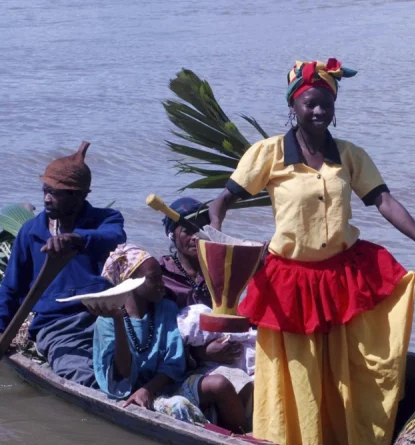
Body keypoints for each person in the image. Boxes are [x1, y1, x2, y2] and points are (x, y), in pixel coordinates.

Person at [208, 58, 415, 445]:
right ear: (293, 107)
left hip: (343, 276)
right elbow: (220, 204)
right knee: (297, 374)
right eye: (309, 104)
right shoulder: (269, 154)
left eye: (326, 104)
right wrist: (219, 244)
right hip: (291, 281)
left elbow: (383, 201)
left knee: (351, 371)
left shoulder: (349, 156)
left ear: (334, 109)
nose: (318, 111)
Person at [0, 142, 126, 386]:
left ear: (78, 195)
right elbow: (12, 288)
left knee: (139, 367)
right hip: (56, 325)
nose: (47, 199)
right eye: (45, 190)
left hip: (104, 316)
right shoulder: (31, 232)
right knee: (82, 377)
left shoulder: (104, 220)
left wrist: (77, 239)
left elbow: (115, 236)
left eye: (55, 193)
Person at [93, 244, 248, 432]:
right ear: (131, 282)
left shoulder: (166, 309)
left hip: (165, 386)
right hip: (132, 396)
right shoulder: (108, 321)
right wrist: (118, 321)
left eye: (161, 277)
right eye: (154, 279)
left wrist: (149, 389)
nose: (162, 284)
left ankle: (242, 434)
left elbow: (173, 363)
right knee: (178, 406)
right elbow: (123, 372)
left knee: (219, 384)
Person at [159, 197, 246, 369]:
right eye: (187, 231)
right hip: (174, 360)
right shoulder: (160, 275)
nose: (195, 237)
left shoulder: (221, 270)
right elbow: (159, 331)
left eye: (200, 230)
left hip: (220, 351)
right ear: (171, 235)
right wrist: (200, 353)